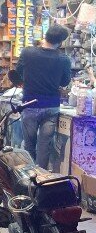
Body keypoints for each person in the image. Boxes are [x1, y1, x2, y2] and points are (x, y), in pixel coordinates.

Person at [13, 23, 72, 168]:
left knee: (29, 146)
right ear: (61, 42)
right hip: (51, 106)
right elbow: (65, 81)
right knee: (45, 146)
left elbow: (17, 72)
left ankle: (29, 179)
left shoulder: (28, 53)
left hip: (30, 104)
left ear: (45, 35)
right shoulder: (64, 59)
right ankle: (41, 180)